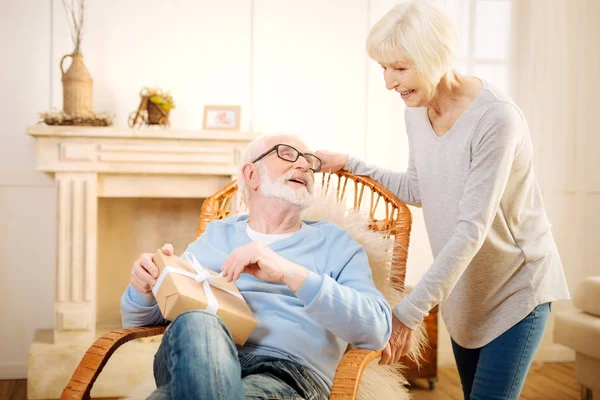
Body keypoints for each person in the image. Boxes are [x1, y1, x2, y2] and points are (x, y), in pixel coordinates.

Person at [316, 2, 570, 399]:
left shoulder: (497, 119)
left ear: (432, 57)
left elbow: (472, 229)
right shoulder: (417, 112)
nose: (387, 82)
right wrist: (350, 163)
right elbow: (419, 188)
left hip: (516, 289)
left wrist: (408, 313)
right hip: (465, 294)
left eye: (398, 68)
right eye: (383, 68)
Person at [121, 134, 392, 400]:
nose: (304, 165)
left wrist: (290, 272)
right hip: (194, 355)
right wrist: (144, 287)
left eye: (309, 161)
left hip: (286, 374)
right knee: (197, 319)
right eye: (287, 154)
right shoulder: (217, 235)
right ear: (251, 175)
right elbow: (139, 323)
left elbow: (377, 330)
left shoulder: (337, 243)